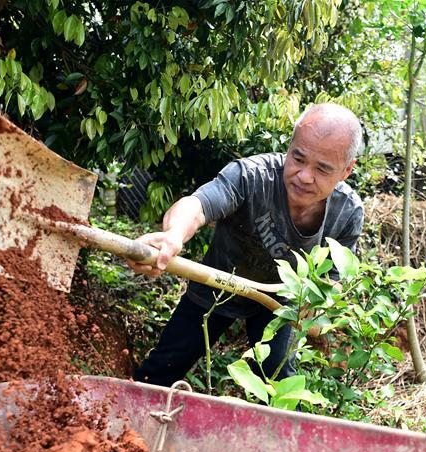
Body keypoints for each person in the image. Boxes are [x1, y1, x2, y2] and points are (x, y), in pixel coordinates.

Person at [128, 103, 364, 388]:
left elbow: (335, 279)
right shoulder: (252, 176)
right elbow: (198, 205)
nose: (304, 176)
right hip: (218, 281)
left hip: (281, 303)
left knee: (278, 382)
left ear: (346, 170)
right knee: (162, 368)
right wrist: (173, 235)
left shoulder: (347, 212)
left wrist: (318, 305)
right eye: (298, 159)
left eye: (322, 169)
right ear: (289, 147)